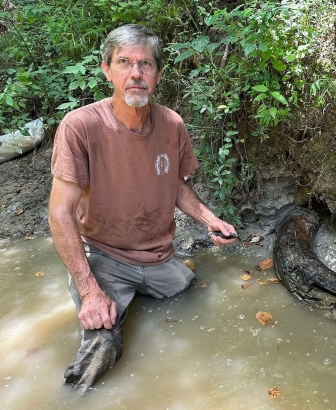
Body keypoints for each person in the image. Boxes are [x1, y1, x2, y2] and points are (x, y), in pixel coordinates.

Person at [48, 23, 238, 390]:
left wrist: (210, 220)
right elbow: (59, 212)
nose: (136, 73)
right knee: (100, 346)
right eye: (124, 62)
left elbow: (178, 187)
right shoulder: (80, 126)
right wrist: (89, 290)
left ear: (158, 74)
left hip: (157, 256)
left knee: (187, 291)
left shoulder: (171, 123)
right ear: (107, 69)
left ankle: (131, 294)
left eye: (146, 64)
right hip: (103, 254)